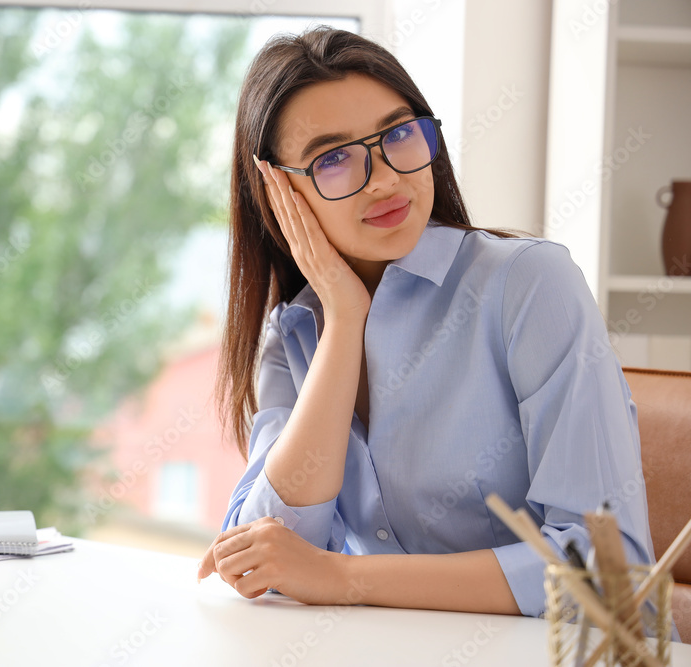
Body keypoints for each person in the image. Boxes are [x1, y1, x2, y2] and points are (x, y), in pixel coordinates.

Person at [196, 26, 656, 618]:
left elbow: (604, 568)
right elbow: (267, 555)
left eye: (398, 134)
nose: (386, 178)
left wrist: (344, 578)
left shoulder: (530, 285)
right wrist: (342, 322)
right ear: (277, 193)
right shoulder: (296, 334)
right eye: (333, 158)